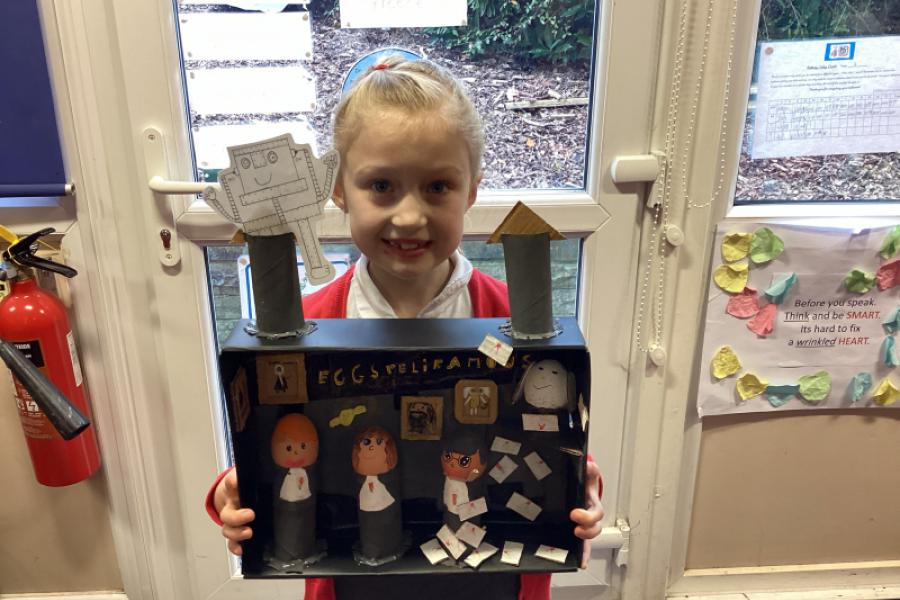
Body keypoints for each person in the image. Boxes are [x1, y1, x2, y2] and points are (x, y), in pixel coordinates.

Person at [206, 53, 604, 600]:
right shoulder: (307, 325)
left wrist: (580, 482)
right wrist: (233, 492)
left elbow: (543, 428)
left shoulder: (514, 318)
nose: (410, 216)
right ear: (339, 190)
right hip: (357, 573)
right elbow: (276, 436)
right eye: (381, 185)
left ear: (471, 190)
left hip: (490, 576)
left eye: (438, 186)